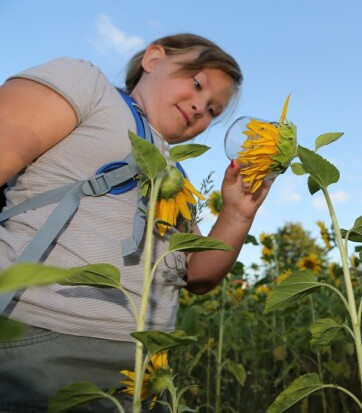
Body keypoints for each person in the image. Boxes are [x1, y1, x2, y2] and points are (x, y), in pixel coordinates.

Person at [0, 33, 272, 412]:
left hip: (146, 366)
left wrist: (238, 212)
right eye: (197, 84)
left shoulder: (177, 177)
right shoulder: (90, 88)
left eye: (213, 110)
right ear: (154, 58)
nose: (199, 108)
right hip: (44, 337)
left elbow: (197, 274)